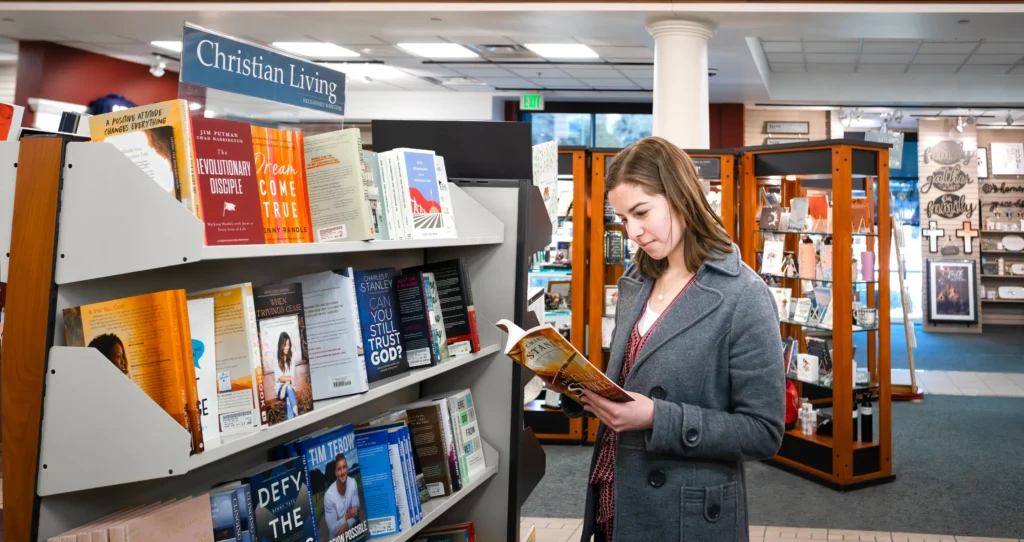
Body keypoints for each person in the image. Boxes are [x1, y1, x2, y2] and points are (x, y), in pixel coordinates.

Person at [562, 137, 785, 541]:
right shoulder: (636, 280)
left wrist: (657, 418)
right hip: (616, 493)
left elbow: (762, 431)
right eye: (623, 219)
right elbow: (633, 377)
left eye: (641, 212)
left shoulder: (744, 295)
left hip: (685, 515)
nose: (633, 231)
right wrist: (578, 385)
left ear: (680, 196)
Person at [323, 453, 361, 538]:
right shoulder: (329, 496)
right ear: (335, 472)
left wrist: (346, 525)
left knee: (359, 524)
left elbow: (356, 512)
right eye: (339, 469)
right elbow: (332, 529)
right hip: (337, 537)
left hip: (352, 532)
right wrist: (348, 515)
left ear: (347, 468)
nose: (343, 472)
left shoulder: (353, 482)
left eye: (344, 467)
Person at [274, 332, 298, 418]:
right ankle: (296, 410)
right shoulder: (276, 360)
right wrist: (287, 382)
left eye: (288, 344)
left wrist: (286, 385)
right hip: (280, 390)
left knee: (288, 394)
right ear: (281, 345)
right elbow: (280, 378)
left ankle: (293, 414)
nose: (287, 347)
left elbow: (293, 380)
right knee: (288, 389)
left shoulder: (291, 358)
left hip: (288, 388)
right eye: (285, 345)